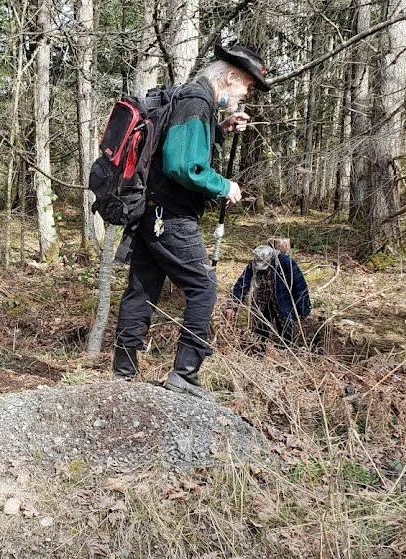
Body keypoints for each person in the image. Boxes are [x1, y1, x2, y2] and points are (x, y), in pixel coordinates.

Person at [111, 44, 271, 400]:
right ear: (231, 77)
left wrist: (222, 128)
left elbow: (181, 145)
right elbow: (183, 165)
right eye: (247, 86)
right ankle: (185, 373)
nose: (247, 94)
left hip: (148, 212)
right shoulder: (196, 102)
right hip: (171, 217)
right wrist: (223, 185)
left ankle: (123, 374)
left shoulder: (192, 101)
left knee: (141, 290)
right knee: (203, 288)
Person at [230, 245, 311, 343]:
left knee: (287, 332)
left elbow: (300, 285)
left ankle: (286, 352)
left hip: (283, 302)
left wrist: (303, 309)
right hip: (262, 302)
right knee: (260, 331)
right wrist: (234, 303)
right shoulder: (253, 265)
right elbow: (243, 283)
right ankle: (259, 351)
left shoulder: (285, 262)